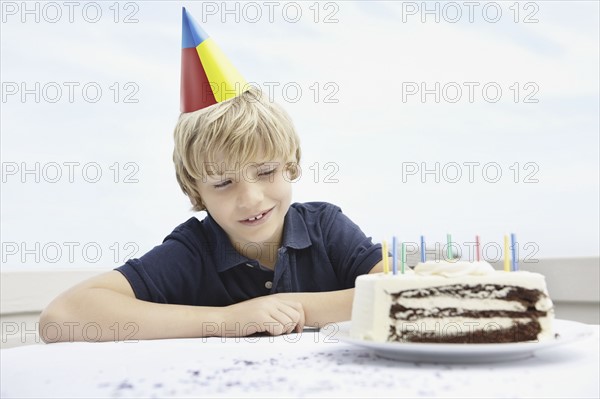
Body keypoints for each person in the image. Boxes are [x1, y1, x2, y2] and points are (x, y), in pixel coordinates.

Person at [39, 9, 384, 343]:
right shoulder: (193, 251)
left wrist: (288, 310)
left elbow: (397, 292)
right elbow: (60, 319)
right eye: (222, 182)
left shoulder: (324, 228)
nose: (250, 198)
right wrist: (227, 319)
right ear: (197, 192)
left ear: (291, 165)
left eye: (265, 171)